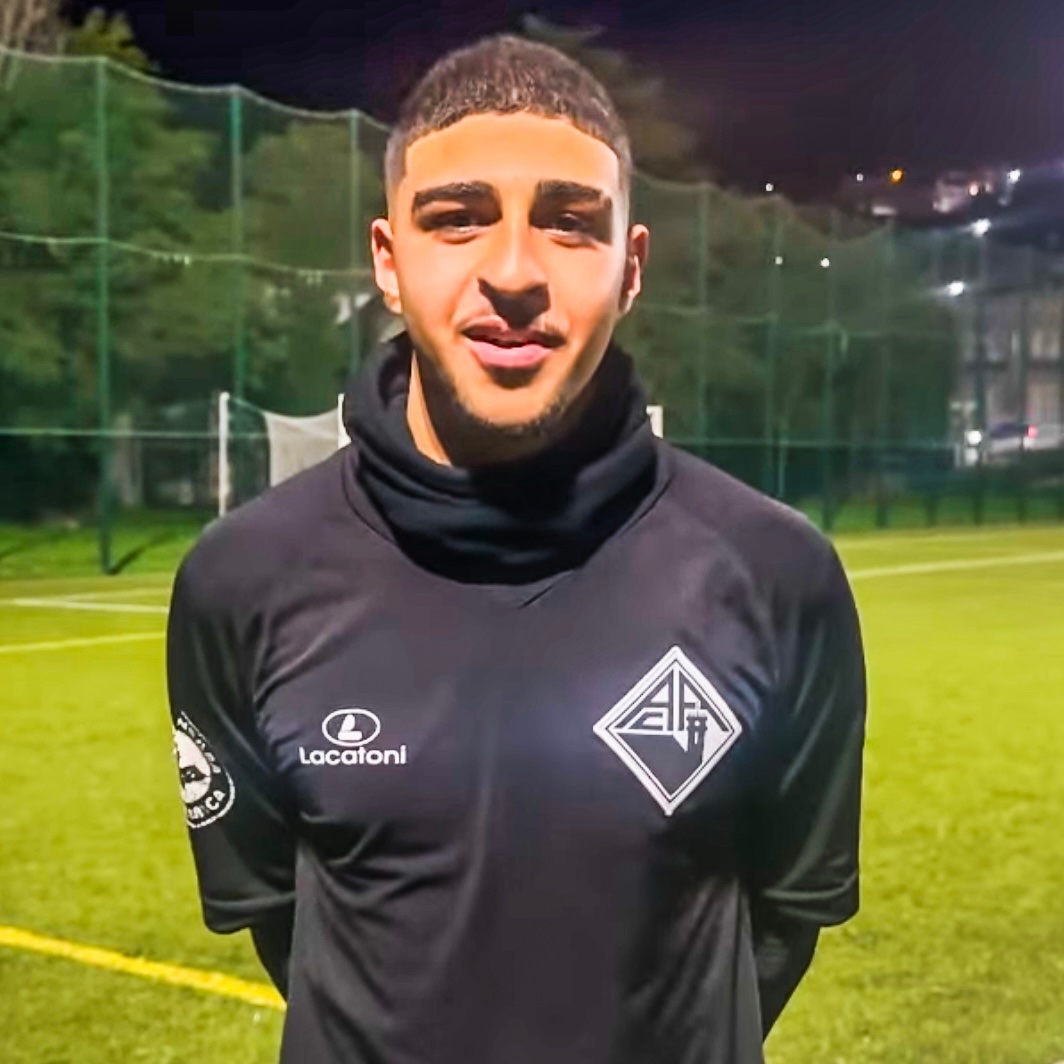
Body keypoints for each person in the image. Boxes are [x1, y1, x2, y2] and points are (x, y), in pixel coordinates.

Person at [166, 33, 866, 1064]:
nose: (512, 272)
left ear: (630, 268)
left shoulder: (775, 574)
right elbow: (283, 915)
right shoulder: (240, 581)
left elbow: (780, 919)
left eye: (570, 222)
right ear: (388, 261)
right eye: (456, 218)